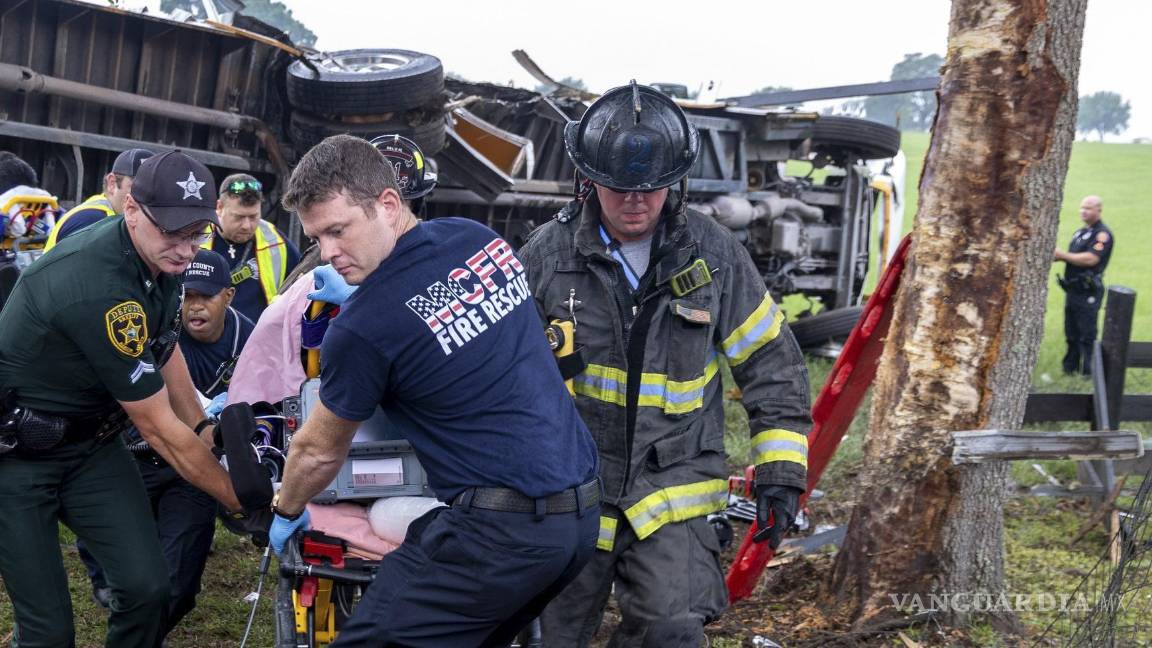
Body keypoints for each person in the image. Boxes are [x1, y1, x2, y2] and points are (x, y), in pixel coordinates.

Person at [268, 134, 600, 646]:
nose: (328, 254)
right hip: (579, 520)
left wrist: (287, 509)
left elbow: (317, 451)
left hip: (497, 536)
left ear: (388, 204)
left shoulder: (362, 327)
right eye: (316, 238)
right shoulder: (479, 240)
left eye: (338, 230)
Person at [518, 82, 813, 648]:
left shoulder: (715, 256)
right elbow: (504, 377)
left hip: (673, 488)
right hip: (572, 486)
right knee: (545, 633)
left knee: (671, 630)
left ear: (674, 182)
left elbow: (771, 365)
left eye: (650, 187)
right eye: (620, 186)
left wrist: (781, 471)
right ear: (589, 179)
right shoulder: (547, 257)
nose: (636, 201)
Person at [0, 150, 250, 646]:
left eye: (198, 233)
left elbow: (164, 345)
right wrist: (240, 502)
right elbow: (158, 429)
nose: (186, 249)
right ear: (132, 209)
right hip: (16, 455)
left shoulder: (161, 259)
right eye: (173, 232)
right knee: (48, 631)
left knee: (148, 590)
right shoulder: (101, 286)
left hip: (90, 445)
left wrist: (202, 426)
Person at [78, 249, 255, 632]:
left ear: (228, 295)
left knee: (179, 582)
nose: (195, 306)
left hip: (195, 466)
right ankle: (112, 590)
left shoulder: (249, 339)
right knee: (111, 553)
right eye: (188, 295)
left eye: (206, 296)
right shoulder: (156, 328)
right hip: (135, 454)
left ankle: (145, 632)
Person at [202, 173, 300, 323]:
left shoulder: (275, 241)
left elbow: (302, 281)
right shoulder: (196, 239)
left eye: (254, 217)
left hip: (258, 334)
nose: (247, 226)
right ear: (219, 207)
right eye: (239, 217)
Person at [44, 147, 154, 250]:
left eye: (154, 189)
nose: (147, 197)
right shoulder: (92, 221)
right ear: (112, 183)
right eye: (138, 187)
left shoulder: (105, 215)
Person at [1054, 195, 1114, 376]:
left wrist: (1062, 255)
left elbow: (1091, 258)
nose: (1084, 211)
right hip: (1073, 289)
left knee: (1087, 333)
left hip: (1088, 290)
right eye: (1082, 207)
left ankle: (1089, 373)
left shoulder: (1102, 235)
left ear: (1099, 210)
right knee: (1071, 331)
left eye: (1088, 208)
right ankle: (1069, 369)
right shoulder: (1080, 233)